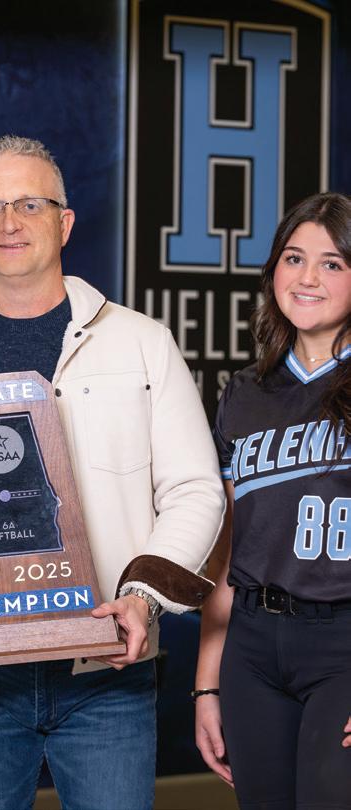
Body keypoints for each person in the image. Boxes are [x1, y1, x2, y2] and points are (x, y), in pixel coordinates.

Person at [0, 134, 225, 810]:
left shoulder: (141, 344)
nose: (9, 222)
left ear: (64, 223)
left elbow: (195, 490)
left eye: (30, 204)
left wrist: (143, 598)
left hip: (106, 667)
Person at [194, 192, 351, 809]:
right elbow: (226, 553)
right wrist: (207, 686)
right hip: (253, 647)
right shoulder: (244, 393)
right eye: (294, 258)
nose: (308, 277)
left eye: (333, 263)